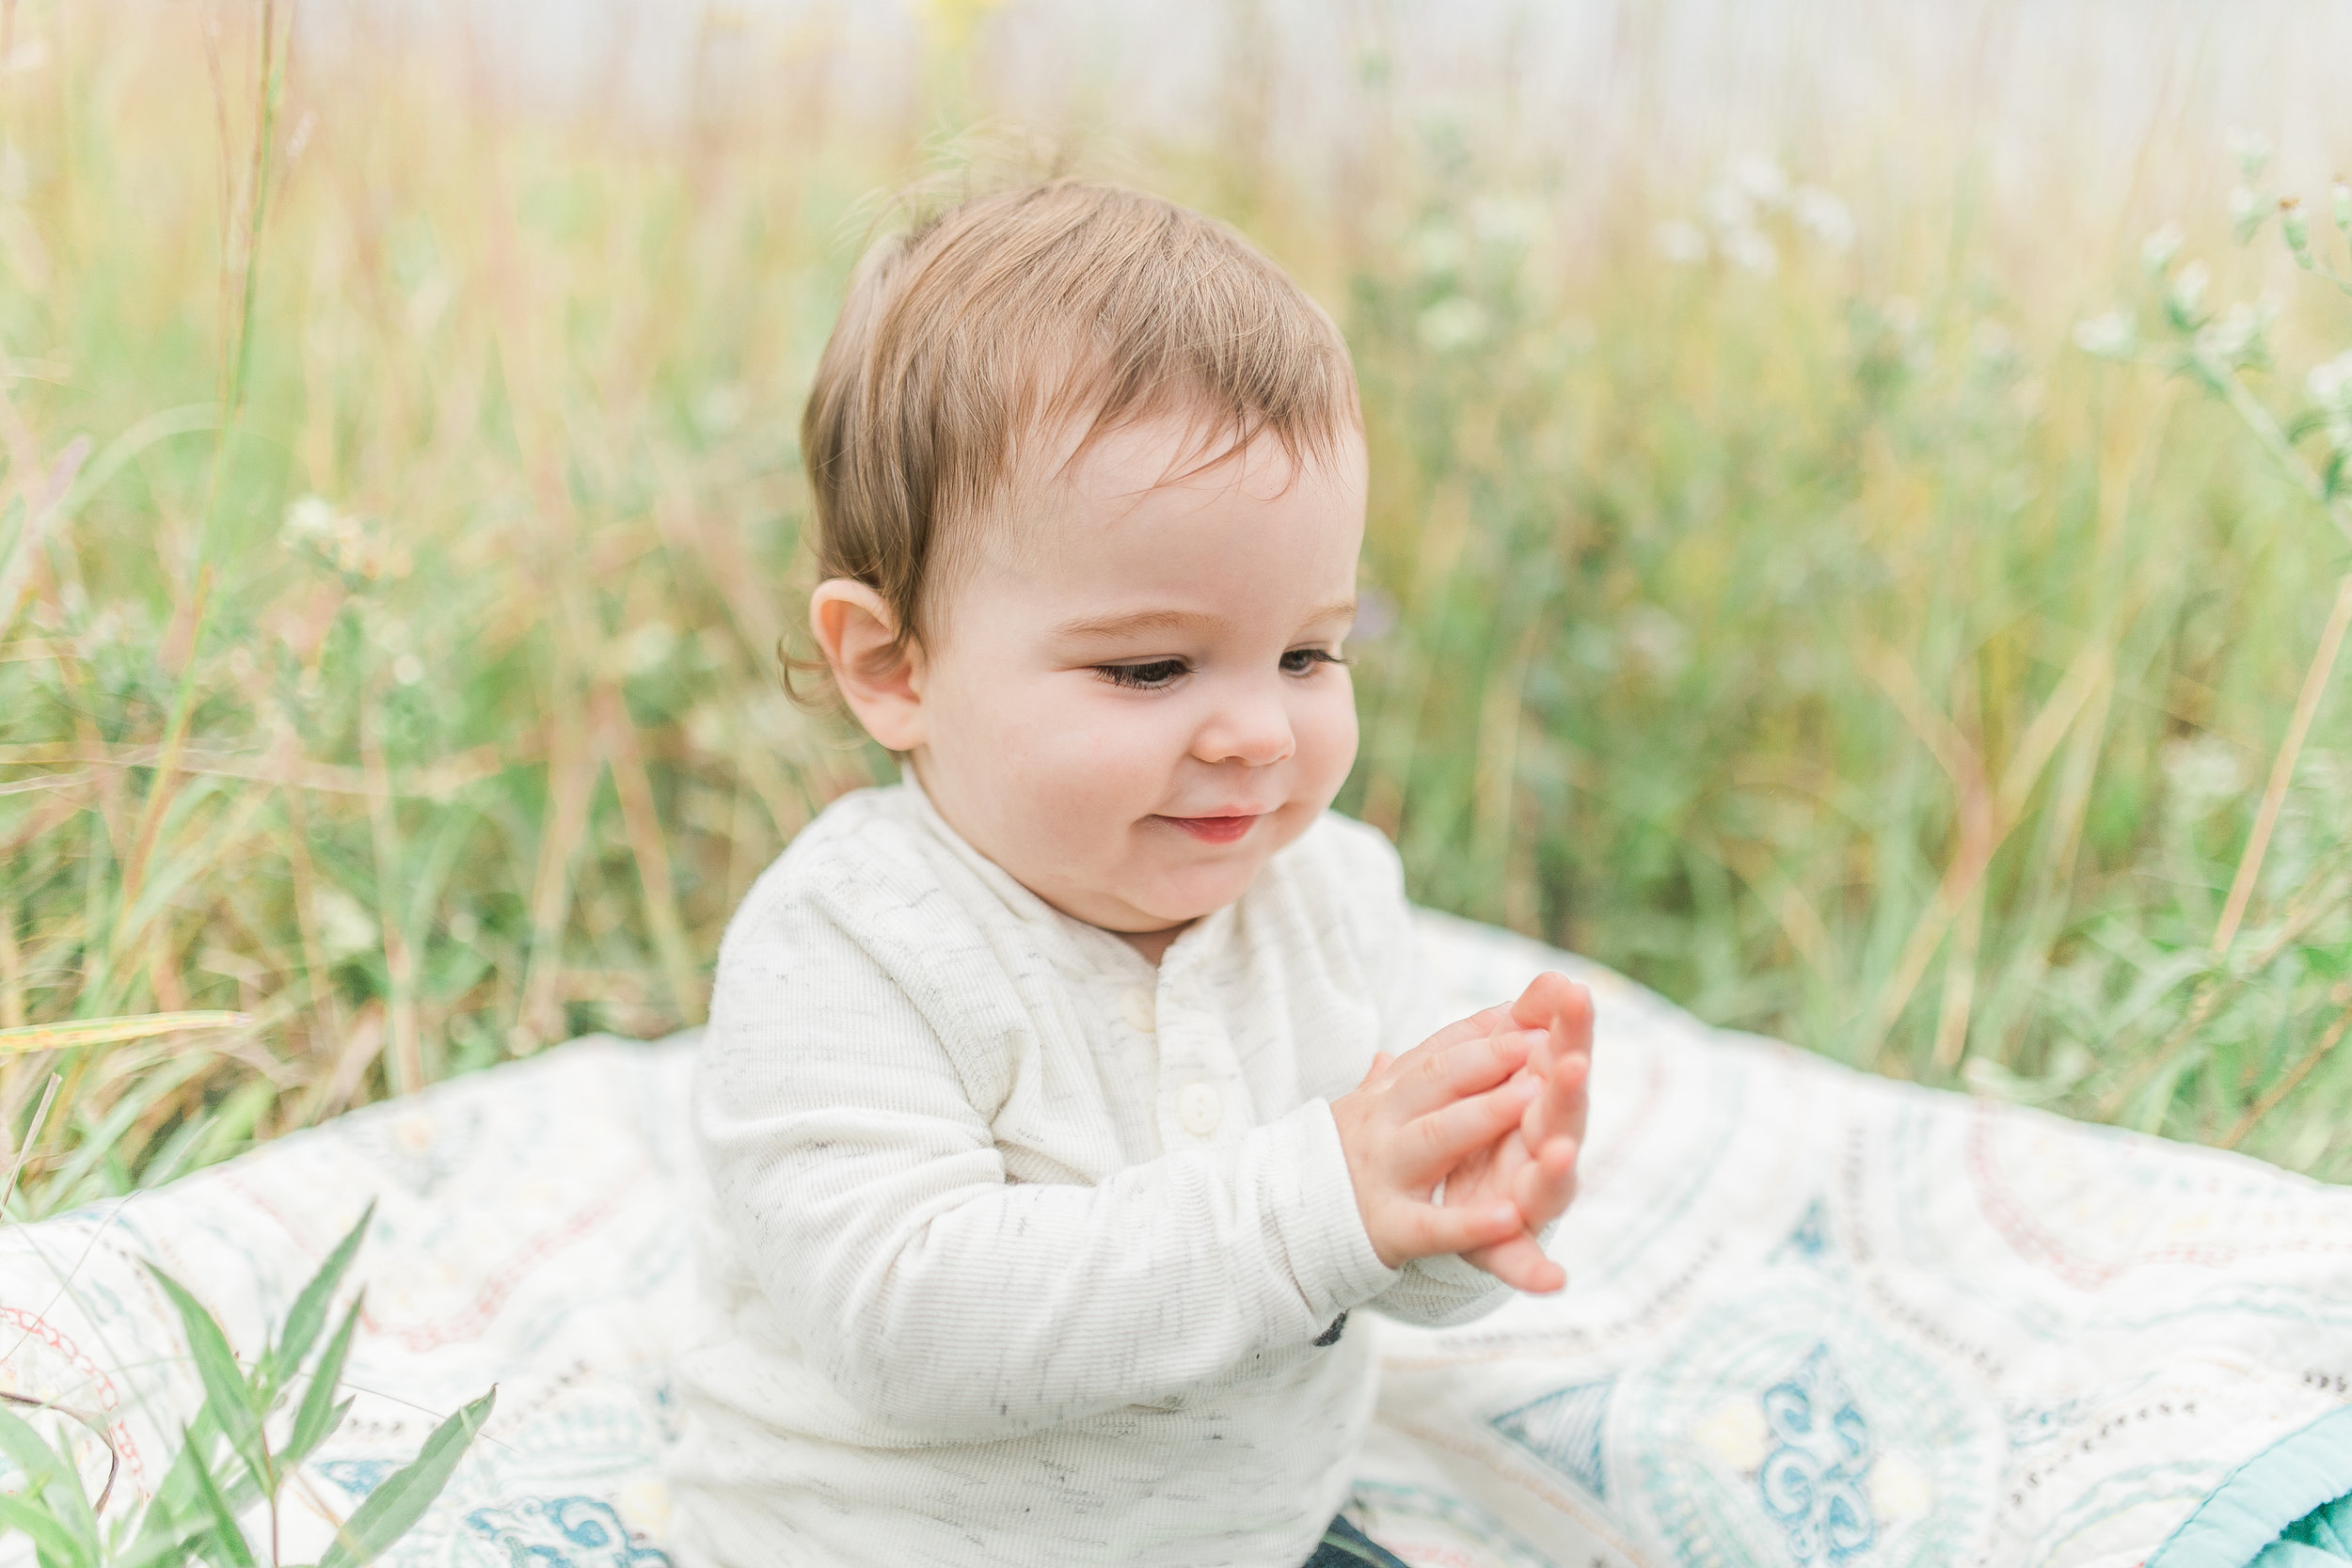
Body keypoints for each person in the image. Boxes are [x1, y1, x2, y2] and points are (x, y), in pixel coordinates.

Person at [667, 180, 1595, 1568]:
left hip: (1254, 1533)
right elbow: (906, 1321)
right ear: (893, 665)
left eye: (1310, 652)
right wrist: (1323, 1196)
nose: (1260, 732)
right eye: (1150, 667)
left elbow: (1362, 1254)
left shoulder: (1330, 899)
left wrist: (1455, 1213)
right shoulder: (847, 944)